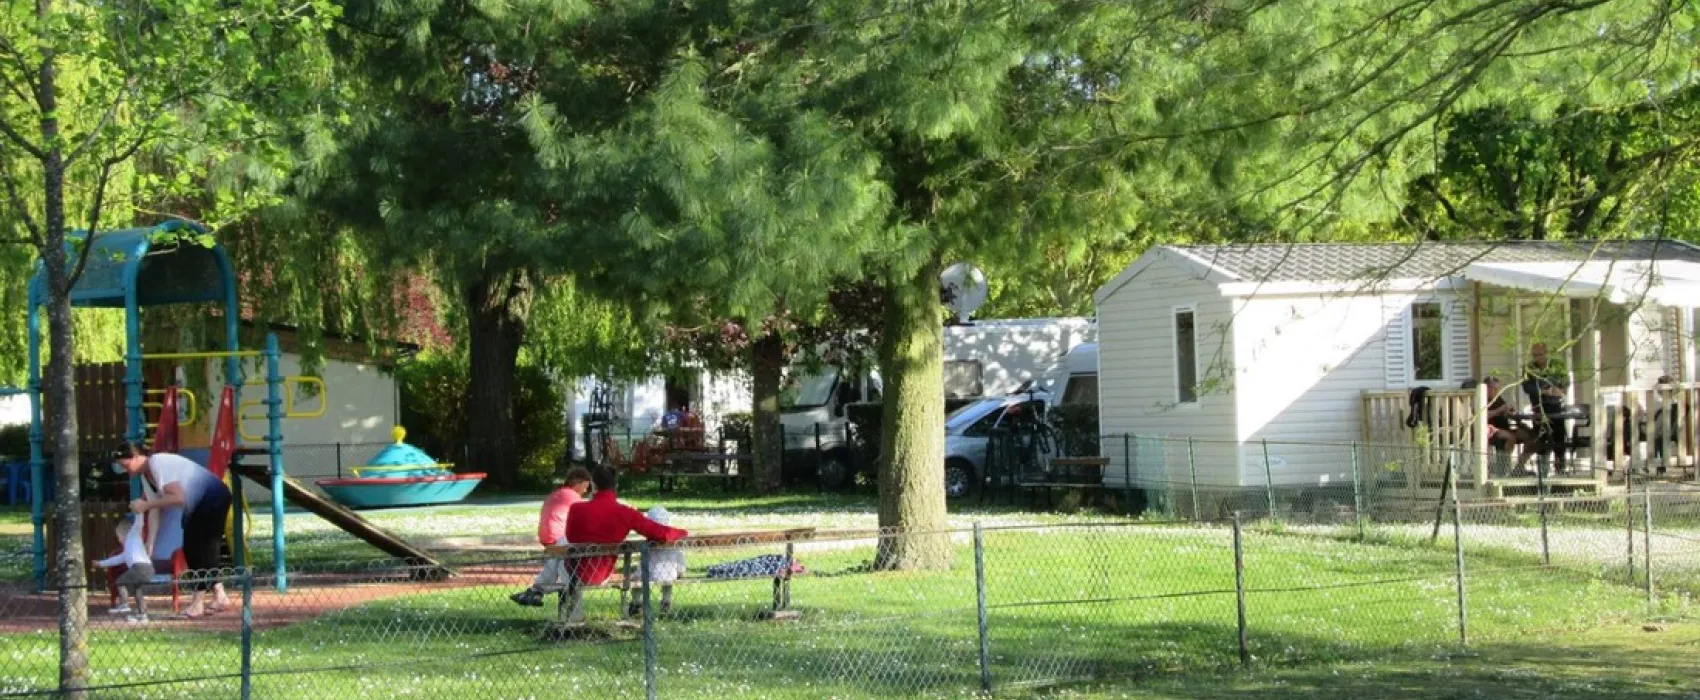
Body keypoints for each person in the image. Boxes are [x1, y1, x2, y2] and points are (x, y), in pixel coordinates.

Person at [114, 443, 231, 618]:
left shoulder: (158, 463)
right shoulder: (146, 477)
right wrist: (150, 544)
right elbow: (154, 511)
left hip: (211, 497)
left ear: (136, 456)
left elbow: (178, 496)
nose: (125, 470)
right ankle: (219, 594)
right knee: (196, 547)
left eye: (125, 465)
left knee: (198, 548)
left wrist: (146, 504)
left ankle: (197, 603)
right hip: (199, 501)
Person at [558, 467, 688, 623]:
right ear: (615, 486)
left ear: (593, 486)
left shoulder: (576, 509)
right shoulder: (625, 513)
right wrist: (683, 532)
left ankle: (570, 614)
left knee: (562, 546)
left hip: (575, 571)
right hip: (603, 573)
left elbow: (571, 537)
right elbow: (660, 533)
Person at [510, 467, 593, 607]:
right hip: (559, 537)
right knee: (567, 556)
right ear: (577, 483)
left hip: (546, 537)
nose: (585, 491)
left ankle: (535, 591)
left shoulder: (556, 494)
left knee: (558, 558)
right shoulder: (573, 497)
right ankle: (545, 592)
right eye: (585, 486)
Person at [625, 505, 686, 617]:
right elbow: (680, 558)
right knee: (668, 581)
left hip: (651, 575)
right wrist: (681, 572)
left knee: (636, 581)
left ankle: (636, 603)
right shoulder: (674, 539)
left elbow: (643, 565)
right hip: (671, 574)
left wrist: (635, 575)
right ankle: (666, 602)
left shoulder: (649, 544)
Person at [1520, 343, 1571, 473]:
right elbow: (1527, 387)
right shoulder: (1529, 368)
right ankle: (1543, 471)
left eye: (1540, 354)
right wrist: (1542, 390)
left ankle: (1560, 468)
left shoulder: (1557, 365)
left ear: (1547, 353)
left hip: (1556, 407)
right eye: (1535, 355)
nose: (1538, 357)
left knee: (1559, 438)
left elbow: (1565, 383)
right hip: (1539, 407)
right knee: (1541, 439)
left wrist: (1555, 390)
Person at [95, 515, 155, 623]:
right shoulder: (128, 549)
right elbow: (117, 559)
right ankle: (142, 615)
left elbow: (139, 524)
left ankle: (124, 604)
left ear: (124, 533)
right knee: (138, 591)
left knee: (120, 581)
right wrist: (100, 563)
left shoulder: (133, 535)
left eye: (118, 536)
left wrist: (139, 511)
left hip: (140, 567)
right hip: (148, 570)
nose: (118, 539)